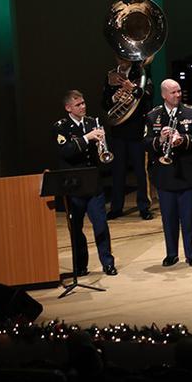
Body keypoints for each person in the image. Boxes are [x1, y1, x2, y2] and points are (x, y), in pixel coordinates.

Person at [53, 90, 117, 276]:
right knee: (76, 229)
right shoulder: (61, 127)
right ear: (68, 108)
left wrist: (102, 144)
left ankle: (108, 263)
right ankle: (80, 266)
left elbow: (103, 151)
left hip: (93, 183)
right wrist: (86, 138)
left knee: (101, 225)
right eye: (78, 104)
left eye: (83, 103)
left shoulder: (92, 122)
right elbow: (65, 151)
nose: (83, 106)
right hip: (73, 185)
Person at [144, 79, 192, 268]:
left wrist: (183, 139)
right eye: (173, 92)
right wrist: (161, 138)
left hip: (187, 174)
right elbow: (145, 143)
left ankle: (191, 254)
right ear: (164, 95)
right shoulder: (153, 116)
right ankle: (171, 254)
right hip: (164, 175)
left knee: (188, 218)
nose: (178, 95)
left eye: (179, 91)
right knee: (168, 217)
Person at [102, 58, 153, 220]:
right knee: (118, 171)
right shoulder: (111, 76)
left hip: (137, 130)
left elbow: (148, 99)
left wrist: (133, 89)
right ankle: (116, 207)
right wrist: (114, 99)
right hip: (118, 131)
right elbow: (103, 102)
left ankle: (144, 207)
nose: (122, 59)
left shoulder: (141, 74)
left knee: (140, 171)